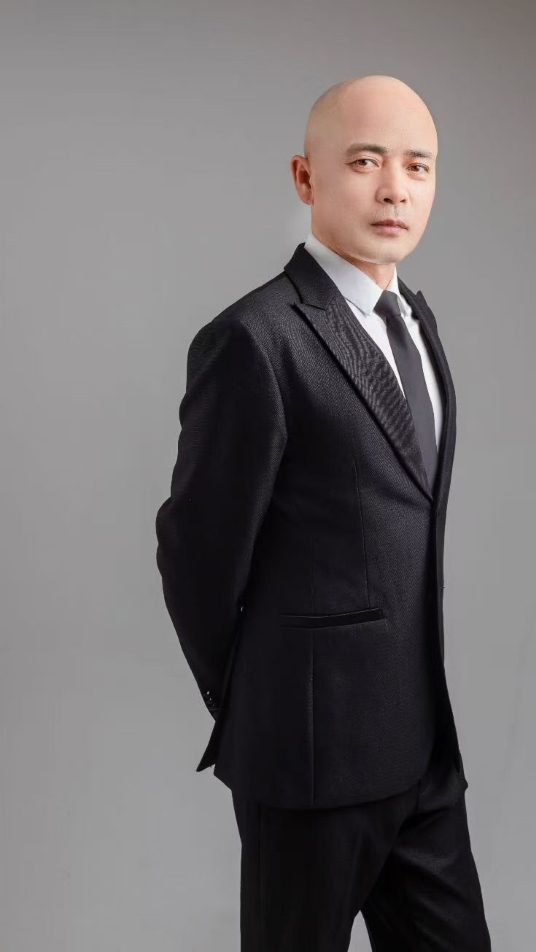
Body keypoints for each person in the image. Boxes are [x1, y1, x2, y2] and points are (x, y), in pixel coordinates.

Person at [155, 73, 491, 951]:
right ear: (306, 178)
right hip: (306, 762)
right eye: (366, 162)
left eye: (418, 166)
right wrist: (262, 697)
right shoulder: (257, 339)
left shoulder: (417, 322)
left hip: (422, 753)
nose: (395, 189)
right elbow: (195, 553)